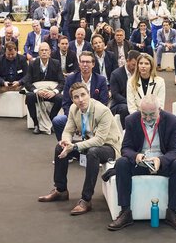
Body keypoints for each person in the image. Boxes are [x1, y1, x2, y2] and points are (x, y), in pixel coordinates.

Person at [108, 96, 176, 231]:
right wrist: (136, 156)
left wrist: (161, 160)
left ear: (159, 110)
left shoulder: (171, 120)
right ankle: (125, 212)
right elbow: (125, 148)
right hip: (141, 163)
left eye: (152, 114)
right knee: (122, 163)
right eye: (144, 114)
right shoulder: (131, 120)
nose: (147, 118)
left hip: (161, 162)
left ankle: (172, 212)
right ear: (139, 110)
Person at [38, 82, 122, 215]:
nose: (80, 99)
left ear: (89, 95)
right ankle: (61, 190)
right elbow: (68, 130)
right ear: (72, 100)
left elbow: (99, 140)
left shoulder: (102, 111)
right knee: (59, 148)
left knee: (93, 153)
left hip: (109, 146)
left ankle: (86, 199)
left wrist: (75, 146)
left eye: (83, 95)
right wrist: (65, 142)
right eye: (76, 97)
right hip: (89, 143)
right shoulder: (73, 108)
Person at [52, 52, 109, 141]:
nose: (85, 64)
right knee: (58, 120)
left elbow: (104, 102)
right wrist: (75, 120)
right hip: (75, 114)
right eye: (82, 62)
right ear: (79, 64)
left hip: (94, 116)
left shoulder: (101, 80)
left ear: (93, 64)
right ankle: (65, 145)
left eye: (88, 62)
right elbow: (66, 103)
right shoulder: (70, 79)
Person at [24, 42, 65, 133]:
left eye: (46, 50)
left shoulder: (56, 63)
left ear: (50, 52)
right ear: (38, 52)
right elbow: (27, 82)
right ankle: (36, 124)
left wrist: (54, 91)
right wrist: (36, 91)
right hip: (38, 91)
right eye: (42, 50)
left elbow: (62, 81)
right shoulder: (32, 64)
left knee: (60, 98)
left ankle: (51, 120)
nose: (44, 52)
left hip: (50, 91)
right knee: (29, 96)